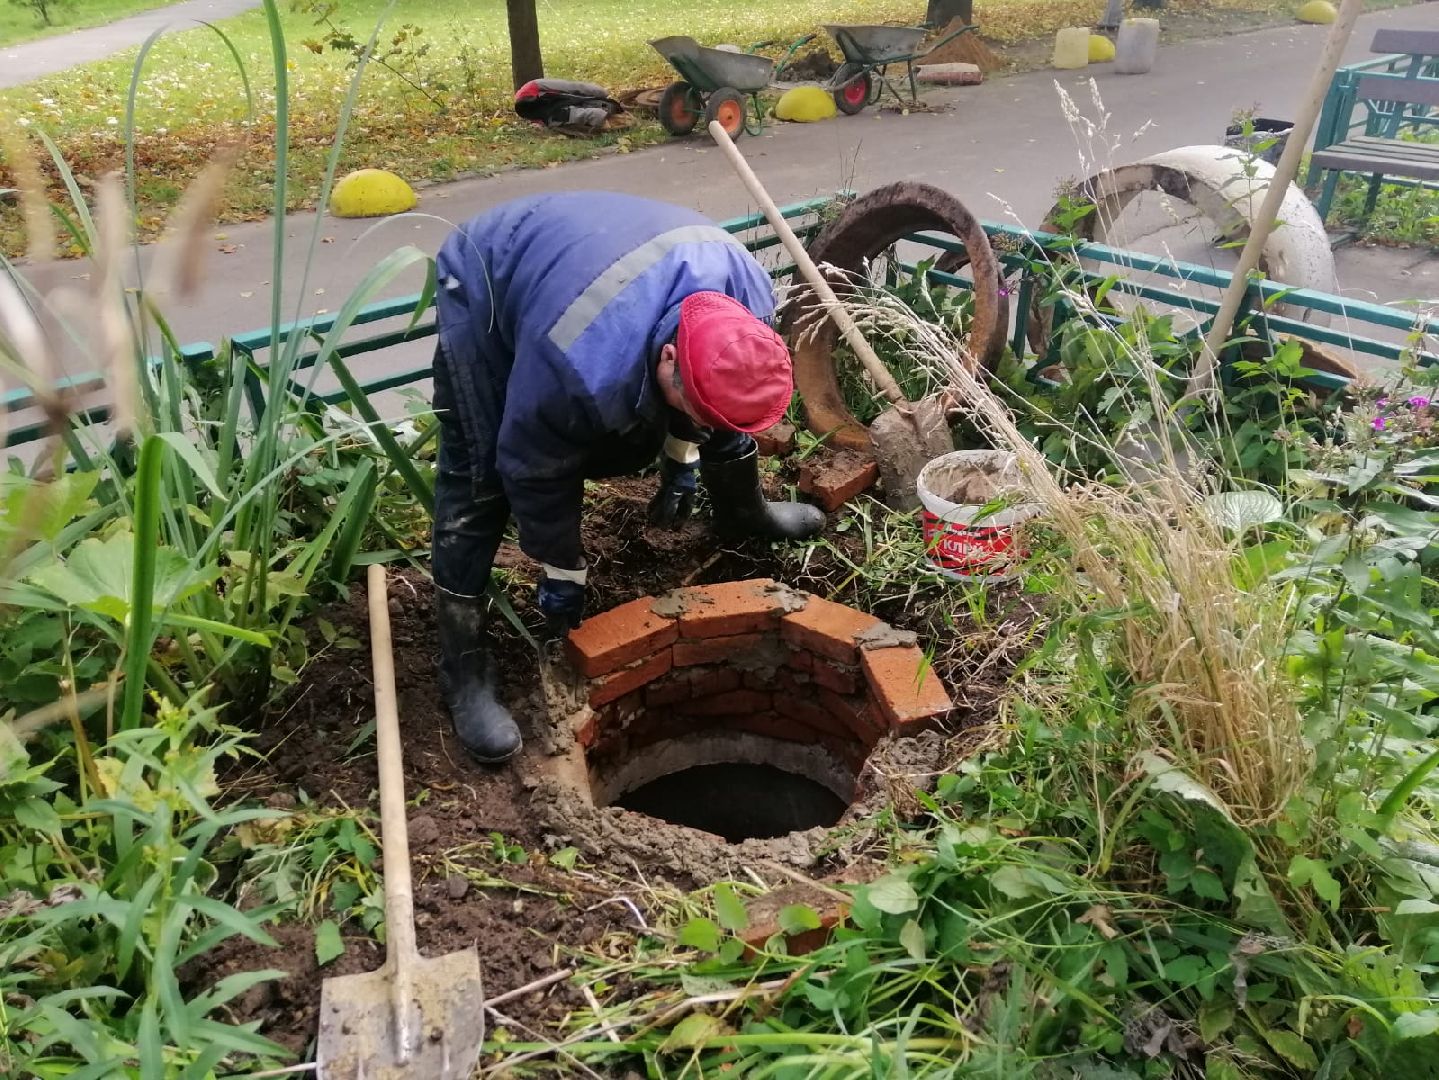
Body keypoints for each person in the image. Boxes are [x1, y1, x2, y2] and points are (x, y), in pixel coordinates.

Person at [430, 192, 825, 764]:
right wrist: (562, 566)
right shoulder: (576, 365)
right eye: (693, 412)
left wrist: (684, 455)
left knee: (720, 401)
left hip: (617, 259)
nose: (703, 427)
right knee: (480, 469)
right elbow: (533, 466)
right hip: (490, 270)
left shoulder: (749, 302)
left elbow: (718, 398)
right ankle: (462, 664)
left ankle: (742, 512)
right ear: (668, 358)